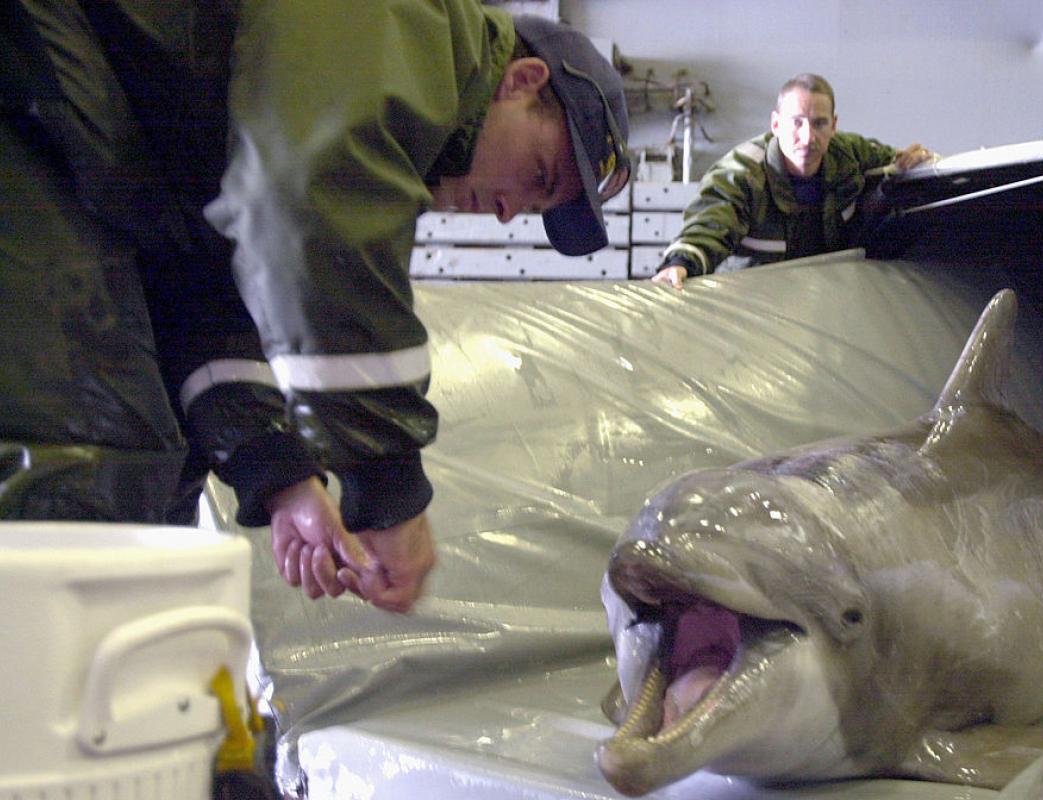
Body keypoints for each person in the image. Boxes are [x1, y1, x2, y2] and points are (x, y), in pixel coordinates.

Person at [0, 1, 630, 614]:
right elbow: (310, 204)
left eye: (534, 209)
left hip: (64, 119)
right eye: (540, 177)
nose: (507, 211)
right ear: (520, 82)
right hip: (29, 73)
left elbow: (201, 288)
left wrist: (283, 478)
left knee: (145, 485)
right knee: (80, 467)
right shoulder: (403, 24)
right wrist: (387, 488)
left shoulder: (338, 114)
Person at [652, 73, 931, 289]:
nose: (808, 137)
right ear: (775, 125)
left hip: (828, 299)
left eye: (819, 123)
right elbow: (711, 222)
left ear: (834, 126)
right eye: (796, 122)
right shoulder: (742, 173)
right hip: (754, 300)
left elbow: (898, 159)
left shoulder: (848, 154)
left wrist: (915, 158)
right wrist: (681, 264)